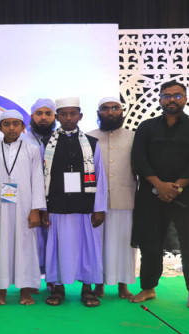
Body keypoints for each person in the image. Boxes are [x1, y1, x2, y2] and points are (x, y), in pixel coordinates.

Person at [130, 80, 189, 308]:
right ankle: (148, 288)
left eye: (177, 95)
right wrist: (159, 185)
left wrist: (176, 186)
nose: (172, 100)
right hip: (151, 194)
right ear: (160, 100)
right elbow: (138, 159)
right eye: (167, 96)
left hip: (187, 195)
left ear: (185, 99)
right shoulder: (146, 127)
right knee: (150, 243)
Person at [41, 97, 108, 307]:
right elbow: (39, 177)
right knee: (57, 248)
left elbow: (100, 176)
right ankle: (58, 288)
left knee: (86, 248)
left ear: (80, 116)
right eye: (63, 114)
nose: (68, 118)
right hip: (57, 205)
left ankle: (87, 289)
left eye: (73, 114)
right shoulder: (46, 143)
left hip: (84, 205)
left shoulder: (91, 143)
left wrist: (99, 209)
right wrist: (42, 208)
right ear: (57, 117)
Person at [0, 109, 46, 305]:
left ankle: (26, 290)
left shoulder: (32, 150)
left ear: (23, 127)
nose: (11, 128)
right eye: (6, 124)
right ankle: (0, 291)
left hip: (25, 208)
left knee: (25, 247)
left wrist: (36, 210)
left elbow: (37, 180)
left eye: (15, 124)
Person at [87, 97, 137, 300]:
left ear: (122, 111)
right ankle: (98, 284)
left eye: (115, 108)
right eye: (105, 109)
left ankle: (123, 285)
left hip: (126, 198)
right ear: (98, 113)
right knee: (97, 244)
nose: (110, 112)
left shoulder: (134, 137)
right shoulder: (88, 137)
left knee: (125, 244)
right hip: (95, 202)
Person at [21, 98, 57, 290]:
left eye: (48, 114)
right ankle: (32, 280)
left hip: (56, 196)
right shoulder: (21, 140)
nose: (43, 118)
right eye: (39, 114)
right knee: (32, 241)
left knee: (53, 239)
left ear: (54, 117)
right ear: (32, 116)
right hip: (29, 198)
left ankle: (52, 280)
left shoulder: (61, 138)